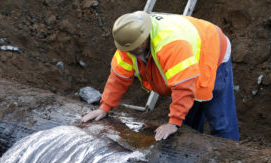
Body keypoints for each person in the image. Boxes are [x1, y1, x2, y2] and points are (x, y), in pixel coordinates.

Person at [81, 11, 239, 142]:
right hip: (187, 50)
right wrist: (104, 107)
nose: (129, 54)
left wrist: (173, 123)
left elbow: (183, 86)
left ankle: (231, 161)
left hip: (210, 46)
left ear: (143, 41)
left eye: (134, 49)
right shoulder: (128, 44)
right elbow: (118, 78)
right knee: (188, 123)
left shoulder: (170, 45)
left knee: (219, 118)